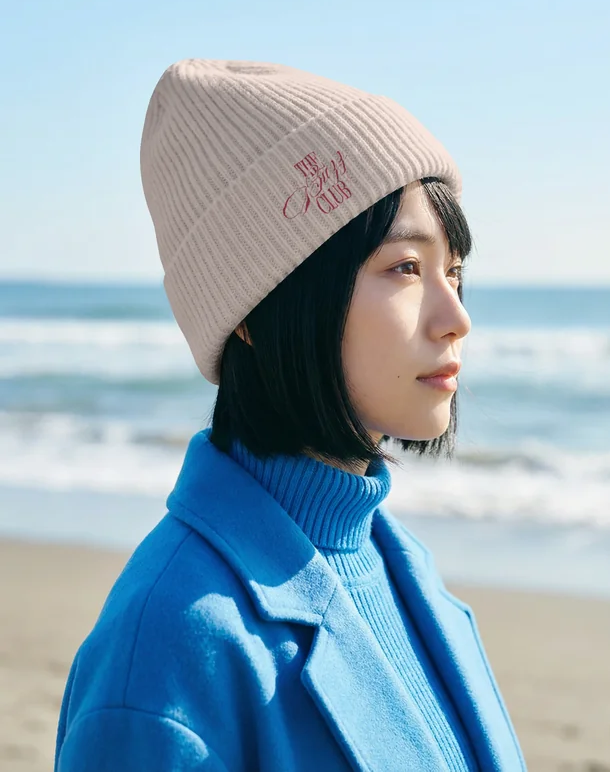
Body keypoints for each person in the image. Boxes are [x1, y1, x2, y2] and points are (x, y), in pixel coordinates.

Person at [54, 59, 527, 771]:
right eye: (405, 267)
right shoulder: (165, 652)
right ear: (255, 310)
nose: (455, 316)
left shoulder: (404, 571)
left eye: (453, 270)